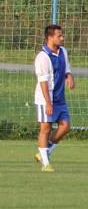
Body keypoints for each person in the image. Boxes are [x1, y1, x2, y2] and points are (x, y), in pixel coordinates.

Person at [33, 24, 75, 172]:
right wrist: (48, 103)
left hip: (60, 98)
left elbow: (66, 67)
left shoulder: (63, 51)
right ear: (49, 37)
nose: (62, 38)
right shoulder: (42, 57)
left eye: (62, 35)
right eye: (59, 36)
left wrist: (69, 76)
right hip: (46, 99)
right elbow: (43, 82)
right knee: (46, 128)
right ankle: (45, 164)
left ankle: (45, 152)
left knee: (65, 126)